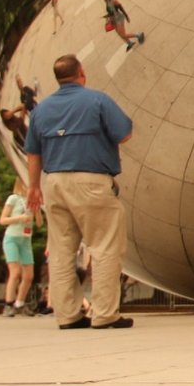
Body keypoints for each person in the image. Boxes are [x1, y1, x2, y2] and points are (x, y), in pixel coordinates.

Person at [24, 54, 134, 329]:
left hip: (55, 183)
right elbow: (125, 134)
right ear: (81, 72)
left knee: (61, 251)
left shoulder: (41, 110)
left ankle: (68, 315)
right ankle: (105, 314)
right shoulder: (97, 100)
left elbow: (33, 152)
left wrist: (33, 187)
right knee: (105, 246)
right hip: (92, 180)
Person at [0, 177, 37, 317]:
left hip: (26, 239)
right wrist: (19, 218)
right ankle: (8, 304)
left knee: (29, 275)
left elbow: (38, 223)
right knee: (15, 272)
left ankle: (20, 302)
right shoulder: (13, 198)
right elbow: (2, 220)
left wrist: (37, 210)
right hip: (12, 238)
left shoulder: (32, 200)